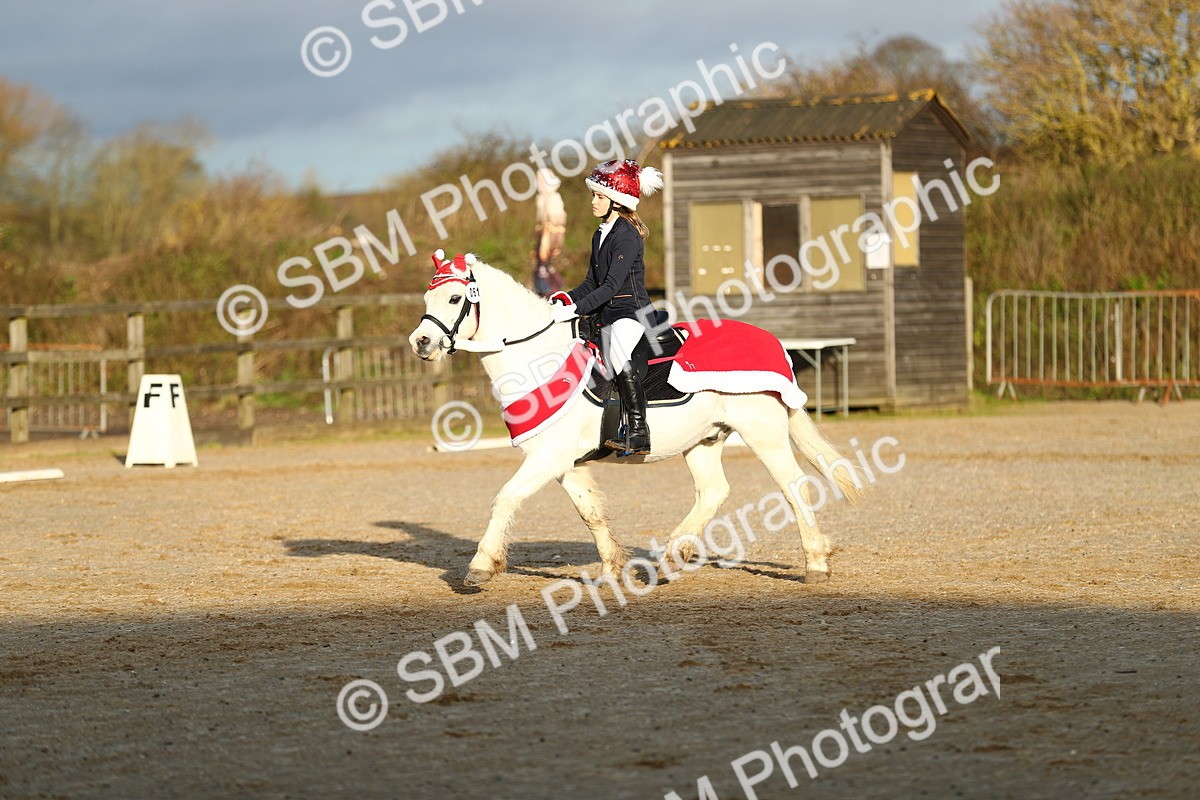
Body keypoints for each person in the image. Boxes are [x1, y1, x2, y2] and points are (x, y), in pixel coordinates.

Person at [548, 158, 662, 455]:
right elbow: (591, 283)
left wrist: (575, 311)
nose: (593, 202)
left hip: (631, 312)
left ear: (616, 201)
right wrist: (567, 299)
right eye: (594, 195)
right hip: (606, 312)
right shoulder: (600, 233)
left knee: (618, 352)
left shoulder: (626, 235)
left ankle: (639, 431)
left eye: (599, 196)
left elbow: (611, 287)